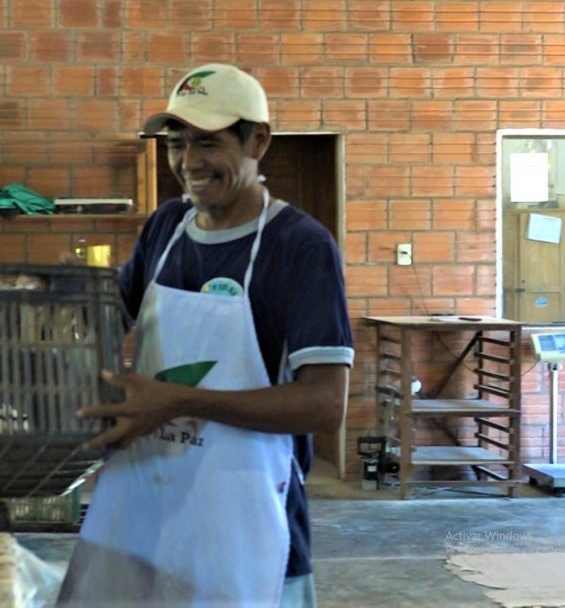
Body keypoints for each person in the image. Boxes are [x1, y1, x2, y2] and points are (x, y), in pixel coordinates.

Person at [57, 64, 354, 608]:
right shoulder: (165, 227)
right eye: (177, 143)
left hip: (249, 528)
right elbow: (105, 322)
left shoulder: (299, 246)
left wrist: (179, 402)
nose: (188, 162)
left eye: (208, 142)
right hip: (149, 522)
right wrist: (64, 308)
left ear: (257, 141)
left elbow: (324, 404)